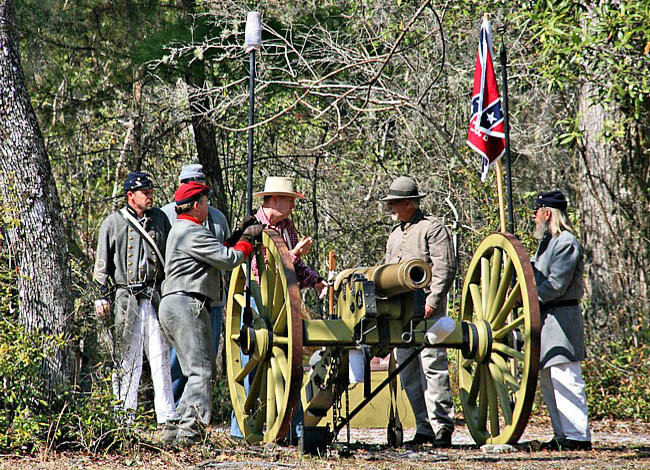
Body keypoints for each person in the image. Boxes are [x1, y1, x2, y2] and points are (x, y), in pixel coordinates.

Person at [158, 181, 263, 446]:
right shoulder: (191, 231)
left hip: (173, 304)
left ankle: (176, 431)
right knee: (201, 372)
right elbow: (227, 258)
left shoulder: (181, 229)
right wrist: (248, 241)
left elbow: (215, 250)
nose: (208, 206)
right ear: (196, 205)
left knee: (188, 371)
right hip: (186, 304)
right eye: (205, 201)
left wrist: (239, 232)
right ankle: (191, 433)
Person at [230, 176, 327, 441]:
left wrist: (316, 281)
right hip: (257, 306)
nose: (293, 205)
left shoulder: (287, 226)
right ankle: (242, 432)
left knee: (290, 367)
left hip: (283, 307)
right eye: (289, 200)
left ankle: (292, 432)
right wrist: (294, 254)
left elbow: (293, 270)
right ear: (274, 200)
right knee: (252, 365)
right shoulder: (252, 227)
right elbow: (264, 270)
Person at [93, 171, 175, 426]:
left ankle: (167, 417)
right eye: (145, 193)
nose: (150, 197)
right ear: (131, 196)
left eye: (151, 192)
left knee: (160, 356)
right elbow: (101, 266)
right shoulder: (113, 222)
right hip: (125, 299)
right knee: (128, 359)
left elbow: (170, 256)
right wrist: (100, 297)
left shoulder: (160, 219)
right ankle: (123, 419)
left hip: (154, 296)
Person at [381, 176, 456, 448]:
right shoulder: (395, 233)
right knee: (408, 370)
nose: (392, 209)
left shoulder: (432, 229)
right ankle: (423, 425)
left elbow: (444, 267)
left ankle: (442, 426)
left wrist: (434, 300)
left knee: (432, 364)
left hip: (427, 309)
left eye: (396, 204)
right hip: (400, 312)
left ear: (410, 203)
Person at [161, 164, 232, 405]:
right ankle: (179, 415)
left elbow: (223, 248)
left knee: (204, 360)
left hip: (211, 299)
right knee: (183, 364)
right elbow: (228, 257)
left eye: (199, 181)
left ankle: (186, 419)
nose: (195, 185)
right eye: (190, 181)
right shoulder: (168, 216)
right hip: (184, 298)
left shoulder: (218, 217)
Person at [532, 190, 592, 451]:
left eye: (536, 212)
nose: (534, 217)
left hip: (562, 317)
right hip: (545, 317)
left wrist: (527, 297)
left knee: (566, 376)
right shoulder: (546, 243)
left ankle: (578, 436)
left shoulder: (566, 242)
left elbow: (556, 284)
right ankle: (562, 435)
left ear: (547, 213)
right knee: (549, 379)